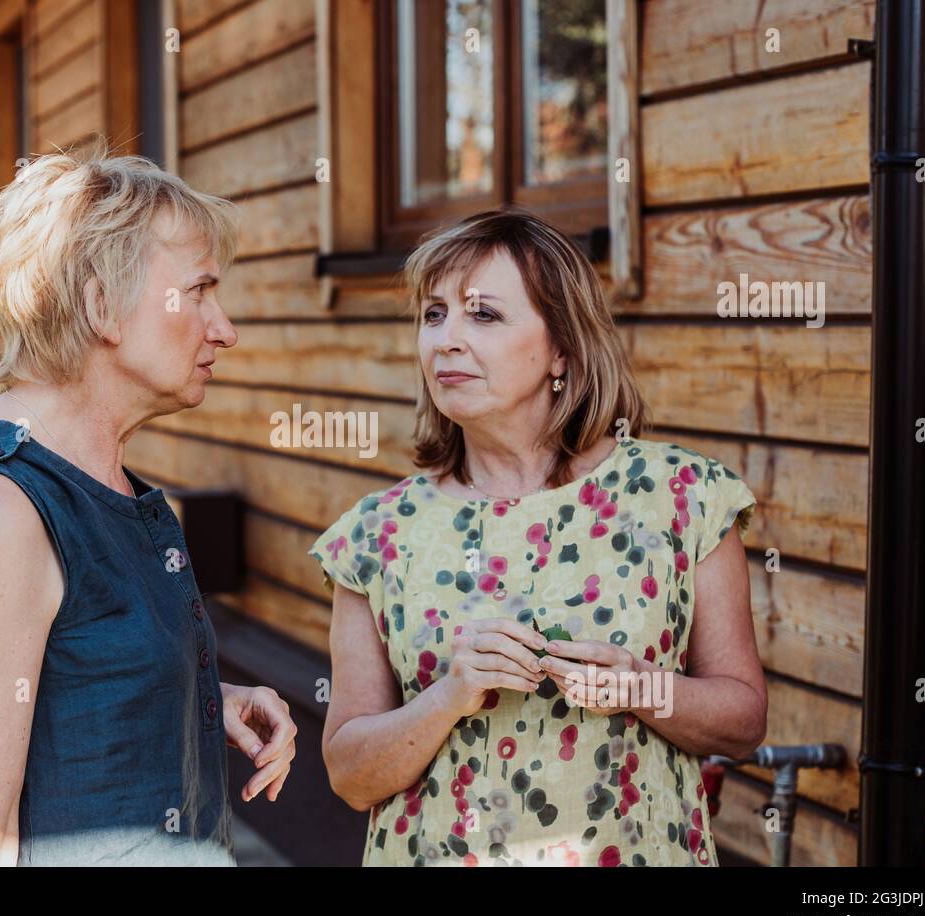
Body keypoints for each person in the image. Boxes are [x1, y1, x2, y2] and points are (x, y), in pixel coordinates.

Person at [309, 207, 766, 866]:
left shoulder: (682, 498)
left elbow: (745, 722)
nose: (446, 340)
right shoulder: (377, 535)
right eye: (434, 315)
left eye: (483, 315)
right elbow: (350, 776)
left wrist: (643, 688)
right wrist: (448, 697)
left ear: (560, 346)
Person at [0, 143, 296, 866]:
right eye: (199, 291)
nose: (224, 328)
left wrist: (193, 696)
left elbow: (69, 679)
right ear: (100, 305)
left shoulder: (104, 481)